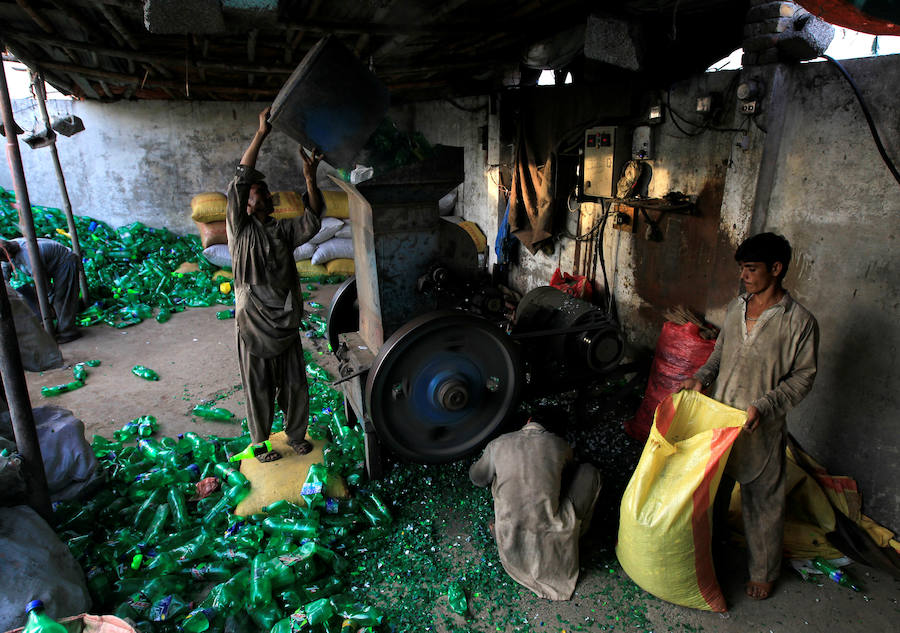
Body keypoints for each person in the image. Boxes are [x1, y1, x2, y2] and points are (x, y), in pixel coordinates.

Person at [680, 232, 818, 601]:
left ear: (776, 269)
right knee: (711, 495)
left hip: (761, 425)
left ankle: (763, 572)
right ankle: (707, 553)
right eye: (742, 269)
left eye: (752, 269)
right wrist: (701, 378)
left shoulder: (798, 322)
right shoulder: (735, 308)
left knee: (764, 504)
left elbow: (803, 378)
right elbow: (718, 355)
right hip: (721, 421)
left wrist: (767, 405)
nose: (744, 276)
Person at [226, 106, 324, 463]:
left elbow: (312, 221)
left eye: (263, 191)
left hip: (285, 320)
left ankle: (296, 433)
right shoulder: (238, 230)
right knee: (258, 387)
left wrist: (310, 180)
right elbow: (240, 177)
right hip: (253, 323)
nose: (263, 195)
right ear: (246, 203)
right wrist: (261, 134)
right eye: (257, 191)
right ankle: (260, 442)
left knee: (295, 384)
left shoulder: (281, 230)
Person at [469, 409, 602, 600]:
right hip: (552, 530)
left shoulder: (498, 444)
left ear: (528, 421)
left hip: (509, 535)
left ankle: (501, 527)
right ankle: (577, 533)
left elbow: (477, 478)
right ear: (553, 431)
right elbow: (569, 473)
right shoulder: (560, 445)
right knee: (589, 472)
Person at [0, 236, 81, 343]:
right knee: (40, 295)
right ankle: (56, 320)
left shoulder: (28, 257)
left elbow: (44, 285)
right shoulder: (7, 249)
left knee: (61, 297)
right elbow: (5, 269)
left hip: (65, 261)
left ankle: (68, 332)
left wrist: (49, 302)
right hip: (49, 263)